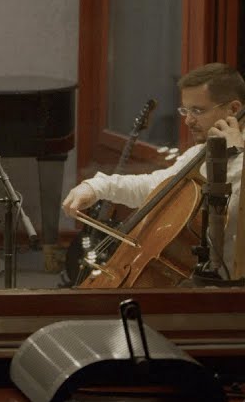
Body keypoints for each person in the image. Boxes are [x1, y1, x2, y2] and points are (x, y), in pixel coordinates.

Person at [62, 62, 245, 279]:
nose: (188, 120)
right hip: (200, 278)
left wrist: (238, 155)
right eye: (185, 110)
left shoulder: (237, 153)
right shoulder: (201, 152)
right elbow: (156, 187)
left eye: (198, 110)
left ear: (234, 109)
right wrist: (97, 187)